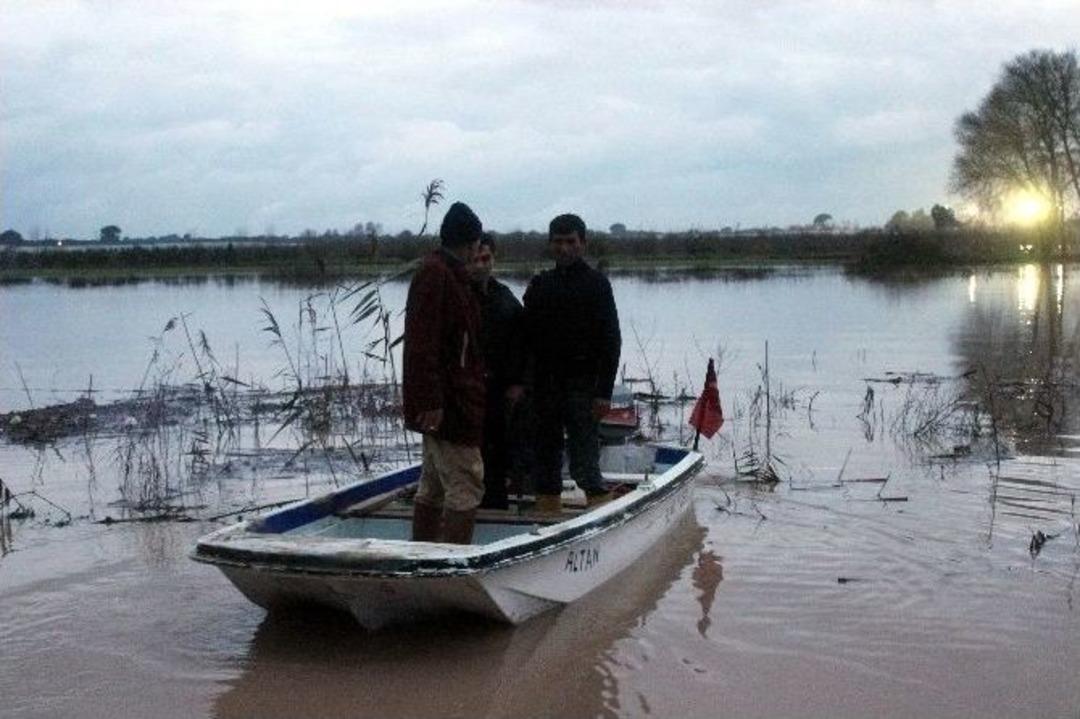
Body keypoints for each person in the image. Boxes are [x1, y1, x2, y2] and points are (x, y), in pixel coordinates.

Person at [523, 213, 621, 514]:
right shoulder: (540, 285)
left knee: (585, 463)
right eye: (558, 242)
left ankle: (602, 516)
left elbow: (611, 341)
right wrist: (524, 384)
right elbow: (526, 339)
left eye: (570, 242)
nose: (564, 248)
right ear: (550, 245)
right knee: (546, 462)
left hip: (583, 388)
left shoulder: (597, 284)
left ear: (582, 244)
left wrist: (604, 392)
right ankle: (546, 521)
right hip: (545, 388)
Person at [402, 201, 486, 544]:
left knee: (434, 484)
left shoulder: (444, 272)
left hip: (448, 401)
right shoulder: (438, 274)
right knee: (466, 483)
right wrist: (432, 401)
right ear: (471, 244)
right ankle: (450, 565)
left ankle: (423, 554)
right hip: (451, 405)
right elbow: (423, 345)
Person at [470, 233, 525, 510]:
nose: (480, 265)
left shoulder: (505, 298)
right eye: (475, 259)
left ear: (494, 259)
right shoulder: (456, 296)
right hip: (467, 391)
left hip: (499, 391)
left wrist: (518, 383)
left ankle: (495, 507)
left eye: (486, 259)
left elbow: (523, 343)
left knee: (497, 454)